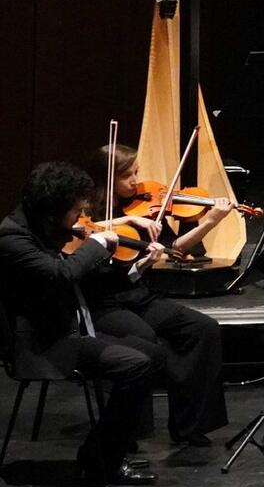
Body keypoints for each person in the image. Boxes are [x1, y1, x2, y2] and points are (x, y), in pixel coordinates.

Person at [0, 162, 165, 483]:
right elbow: (62, 276)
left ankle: (109, 448)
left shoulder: (45, 230)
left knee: (153, 355)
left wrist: (137, 267)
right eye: (76, 210)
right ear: (53, 210)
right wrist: (96, 244)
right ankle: (101, 460)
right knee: (135, 365)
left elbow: (86, 284)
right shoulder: (12, 238)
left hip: (70, 329)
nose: (81, 219)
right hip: (43, 343)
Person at [89, 144, 233, 447]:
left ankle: (189, 426)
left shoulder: (144, 205)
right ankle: (128, 433)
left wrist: (209, 221)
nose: (136, 181)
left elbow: (176, 248)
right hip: (103, 303)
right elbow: (86, 241)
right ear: (107, 178)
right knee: (145, 341)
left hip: (137, 295)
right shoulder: (89, 210)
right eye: (127, 175)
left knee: (202, 329)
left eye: (136, 173)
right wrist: (126, 223)